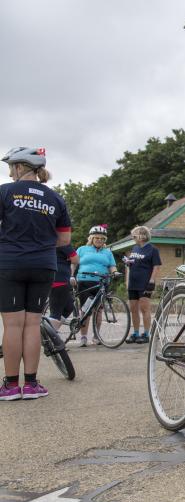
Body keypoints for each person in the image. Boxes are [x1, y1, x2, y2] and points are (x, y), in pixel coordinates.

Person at [0, 147, 71, 401]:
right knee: (32, 325)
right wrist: (38, 244)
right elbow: (64, 239)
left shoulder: (4, 192)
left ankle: (10, 387)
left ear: (20, 168)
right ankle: (30, 385)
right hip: (43, 264)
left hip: (9, 263)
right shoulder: (55, 198)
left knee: (12, 325)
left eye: (11, 168)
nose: (10, 173)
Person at [75, 225, 117, 347]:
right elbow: (73, 263)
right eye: (97, 238)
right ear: (91, 238)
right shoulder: (82, 249)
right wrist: (71, 276)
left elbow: (112, 266)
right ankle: (83, 337)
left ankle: (96, 336)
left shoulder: (107, 252)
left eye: (102, 238)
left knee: (98, 310)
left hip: (102, 283)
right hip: (84, 282)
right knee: (85, 310)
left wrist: (114, 272)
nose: (99, 240)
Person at [124, 226, 161, 344]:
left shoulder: (153, 249)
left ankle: (146, 334)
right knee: (133, 309)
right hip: (133, 283)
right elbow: (133, 263)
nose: (133, 238)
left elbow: (156, 266)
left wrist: (152, 281)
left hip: (145, 283)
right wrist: (128, 263)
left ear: (141, 236)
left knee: (144, 308)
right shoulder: (135, 248)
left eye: (134, 236)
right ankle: (135, 333)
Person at [47, 244, 80, 330]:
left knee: (69, 307)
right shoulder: (63, 242)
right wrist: (68, 258)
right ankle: (48, 335)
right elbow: (76, 259)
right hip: (59, 280)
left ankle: (52, 331)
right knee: (56, 313)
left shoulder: (46, 241)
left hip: (55, 278)